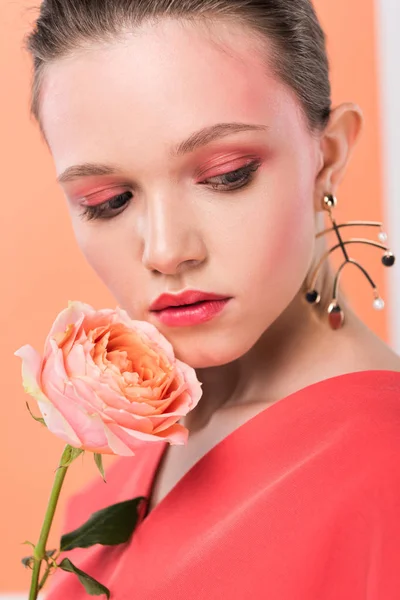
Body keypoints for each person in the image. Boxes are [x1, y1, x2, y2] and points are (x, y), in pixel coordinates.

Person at [24, 0, 400, 598]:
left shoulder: (386, 468)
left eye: (227, 174)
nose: (167, 250)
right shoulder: (121, 473)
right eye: (107, 201)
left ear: (327, 157)